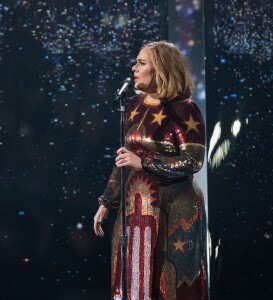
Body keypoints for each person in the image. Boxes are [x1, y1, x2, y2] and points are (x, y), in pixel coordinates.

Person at [94, 41, 208, 300]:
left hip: (175, 210)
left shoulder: (184, 108)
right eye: (136, 63)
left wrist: (144, 163)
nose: (134, 68)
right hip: (136, 209)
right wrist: (107, 201)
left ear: (161, 69)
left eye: (141, 63)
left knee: (170, 281)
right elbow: (124, 157)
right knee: (133, 278)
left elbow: (193, 160)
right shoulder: (132, 105)